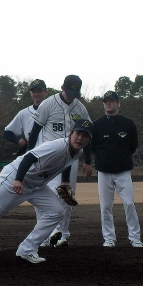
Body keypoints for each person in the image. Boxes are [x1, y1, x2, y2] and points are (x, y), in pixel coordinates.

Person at [0, 119, 94, 266]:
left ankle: (27, 249)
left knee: (57, 211)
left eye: (85, 136)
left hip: (36, 185)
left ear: (88, 140)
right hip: (14, 178)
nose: (80, 138)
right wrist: (18, 179)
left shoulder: (77, 152)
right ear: (71, 133)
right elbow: (29, 157)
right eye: (78, 133)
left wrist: (65, 183)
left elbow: (65, 163)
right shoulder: (58, 145)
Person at [28, 74, 92, 247]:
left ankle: (62, 235)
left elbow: (87, 136)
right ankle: (44, 236)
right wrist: (28, 157)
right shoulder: (48, 104)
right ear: (62, 88)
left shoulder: (81, 108)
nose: (72, 95)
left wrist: (88, 161)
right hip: (49, 157)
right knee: (47, 195)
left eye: (75, 92)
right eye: (69, 90)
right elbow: (34, 132)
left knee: (67, 197)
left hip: (70, 159)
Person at [91, 91, 143, 248]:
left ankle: (135, 238)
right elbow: (93, 147)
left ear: (118, 103)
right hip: (104, 172)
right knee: (105, 207)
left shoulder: (128, 124)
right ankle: (109, 238)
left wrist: (121, 159)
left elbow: (133, 145)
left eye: (112, 101)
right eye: (106, 101)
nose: (108, 104)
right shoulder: (97, 124)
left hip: (123, 171)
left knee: (128, 204)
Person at [3, 79, 49, 156]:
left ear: (46, 92)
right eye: (34, 91)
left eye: (39, 91)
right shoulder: (24, 113)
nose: (36, 94)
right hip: (32, 154)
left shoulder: (55, 111)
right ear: (30, 93)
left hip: (51, 153)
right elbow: (7, 132)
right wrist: (19, 141)